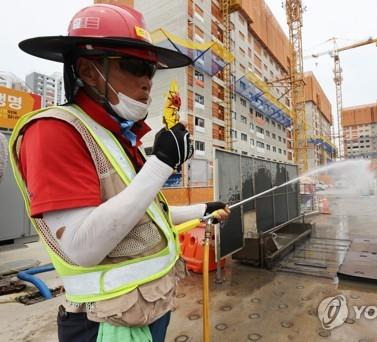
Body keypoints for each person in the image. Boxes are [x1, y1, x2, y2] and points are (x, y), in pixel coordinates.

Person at [10, 4, 230, 342]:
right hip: (103, 324)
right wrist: (160, 164)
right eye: (134, 66)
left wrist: (202, 210)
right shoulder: (54, 132)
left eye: (151, 71)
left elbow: (144, 216)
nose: (147, 81)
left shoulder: (115, 137)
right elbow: (81, 247)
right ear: (88, 69)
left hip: (145, 311)